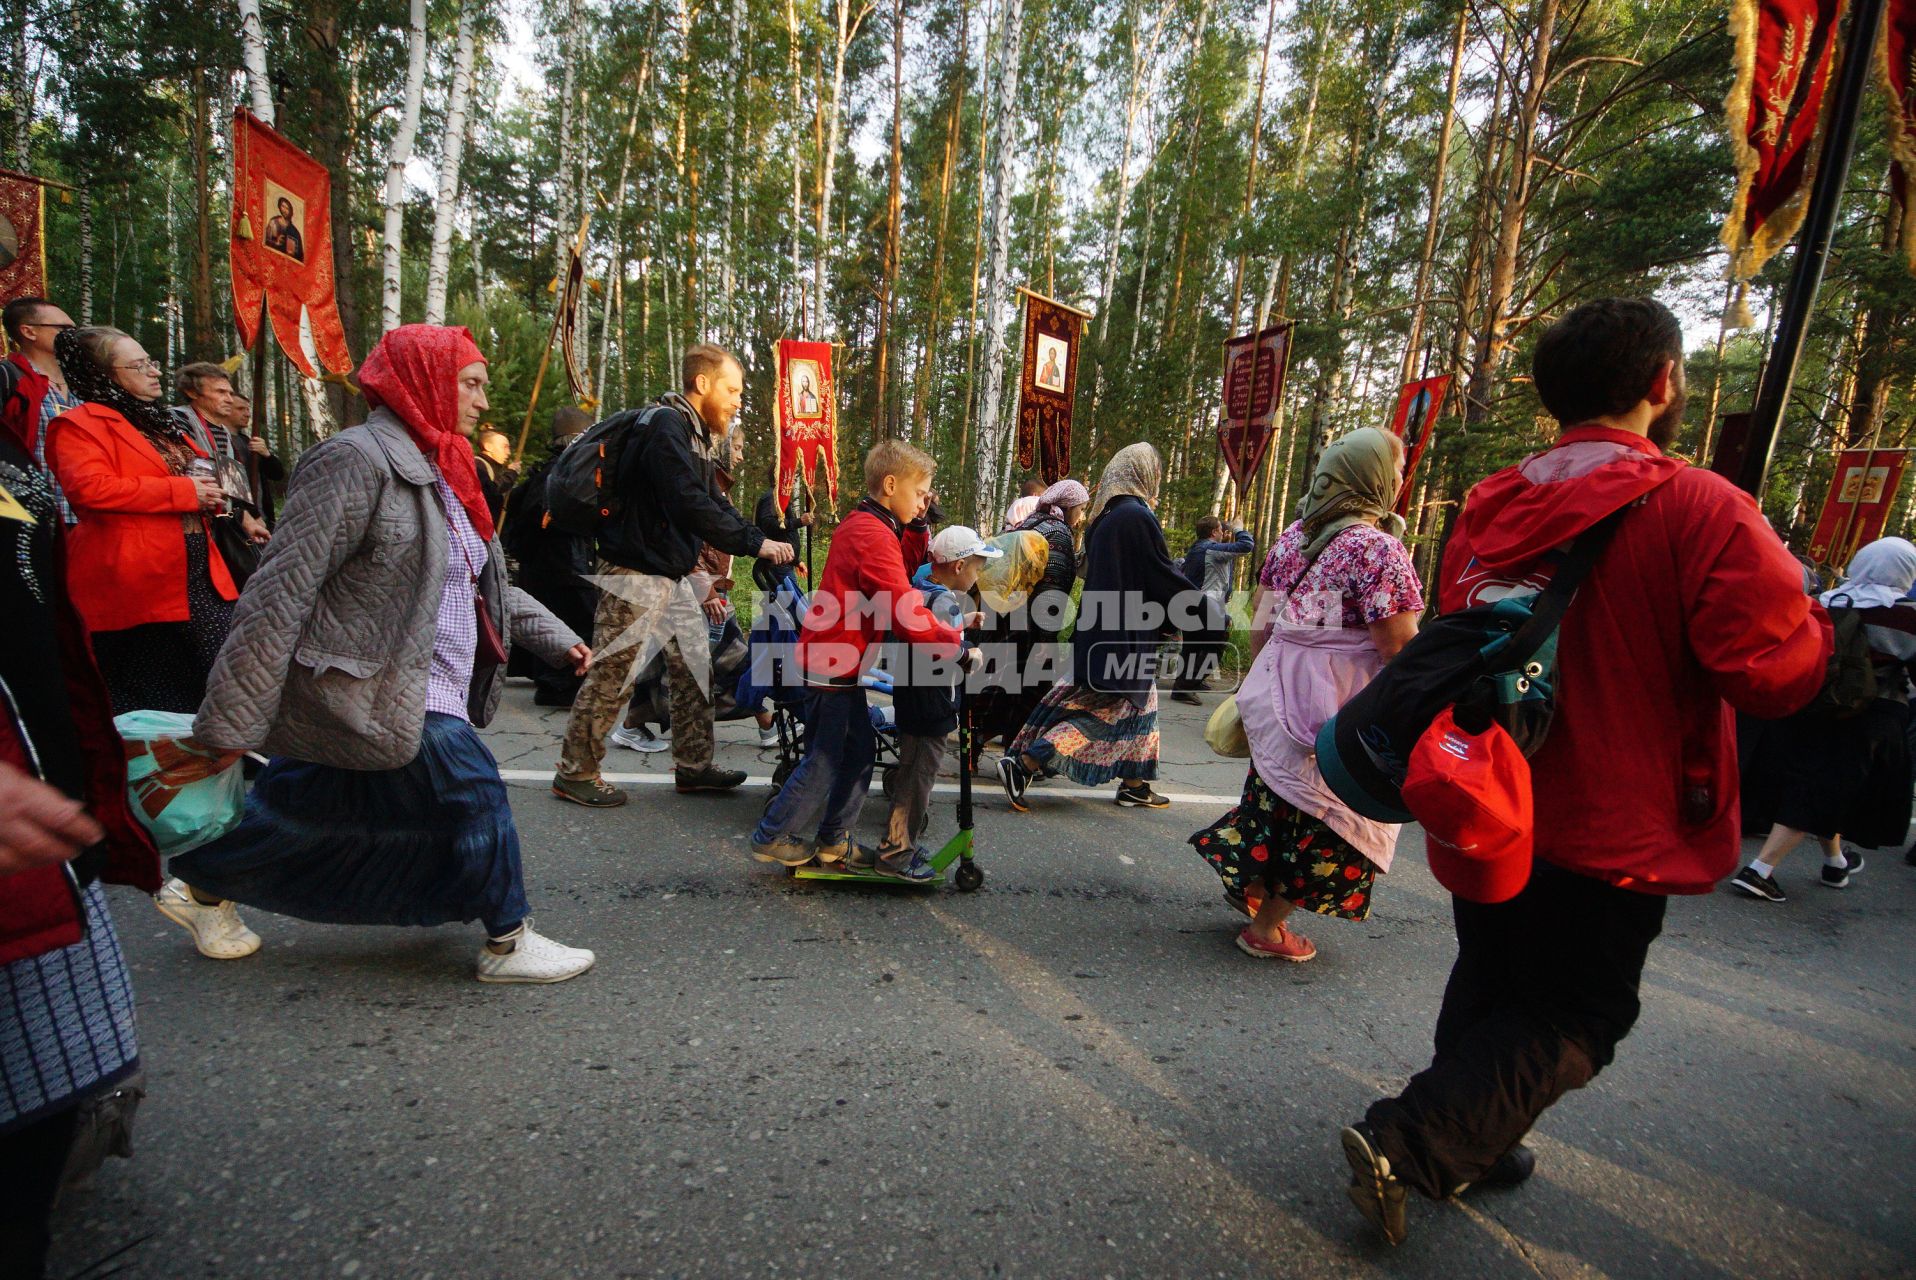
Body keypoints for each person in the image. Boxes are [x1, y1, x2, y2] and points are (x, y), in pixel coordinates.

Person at [1339, 297, 1830, 1245]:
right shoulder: (1702, 507)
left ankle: (1482, 1132)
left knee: (1494, 964)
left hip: (1485, 785)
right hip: (1619, 806)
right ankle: (1418, 1139)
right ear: (1661, 382)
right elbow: (1770, 674)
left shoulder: (1492, 503)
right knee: (1581, 1009)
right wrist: (1809, 614)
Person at [173, 324, 597, 983]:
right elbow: (281, 589)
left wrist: (558, 637)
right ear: (423, 380)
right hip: (378, 683)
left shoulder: (444, 468)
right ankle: (508, 942)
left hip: (429, 681)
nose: (484, 401)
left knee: (299, 810)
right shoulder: (353, 460)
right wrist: (230, 719)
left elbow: (479, 582)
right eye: (472, 384)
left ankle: (198, 887)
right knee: (471, 788)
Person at [0, 366, 159, 1279]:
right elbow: (94, 495)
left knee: (42, 1103)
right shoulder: (75, 424)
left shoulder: (18, 409)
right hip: (128, 611)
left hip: (40, 764)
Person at [1188, 428, 1420, 963]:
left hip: (1280, 684)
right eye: (1398, 469)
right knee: (1332, 812)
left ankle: (1251, 886)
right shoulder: (1377, 549)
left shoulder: (1293, 536)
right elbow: (1398, 647)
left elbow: (1261, 620)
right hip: (1340, 697)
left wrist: (1264, 679)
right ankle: (1267, 929)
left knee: (1276, 794)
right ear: (1374, 479)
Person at [553, 344, 794, 806]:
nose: (738, 400)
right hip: (634, 570)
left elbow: (713, 503)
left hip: (670, 572)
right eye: (732, 389)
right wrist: (754, 544)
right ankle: (576, 772)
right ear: (702, 384)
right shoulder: (666, 425)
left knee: (693, 666)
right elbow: (687, 501)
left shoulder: (695, 435)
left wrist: (756, 538)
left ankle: (694, 765)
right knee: (614, 672)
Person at [750, 440, 967, 867]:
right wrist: (953, 647)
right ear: (890, 484)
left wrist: (920, 525)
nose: (926, 500)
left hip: (838, 660)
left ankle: (833, 839)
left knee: (857, 750)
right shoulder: (871, 533)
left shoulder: (872, 525)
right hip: (831, 662)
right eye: (920, 491)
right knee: (828, 759)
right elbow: (902, 605)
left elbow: (901, 570)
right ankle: (772, 834)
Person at [45, 327, 239, 715]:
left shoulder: (157, 422)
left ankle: (226, 760)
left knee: (227, 671)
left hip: (196, 564)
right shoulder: (79, 425)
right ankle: (175, 768)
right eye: (139, 365)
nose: (155, 372)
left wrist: (230, 504)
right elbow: (90, 490)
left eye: (151, 361)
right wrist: (185, 493)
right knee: (162, 691)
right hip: (136, 576)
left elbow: (202, 471)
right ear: (104, 374)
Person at [997, 444, 1194, 811]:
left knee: (1141, 709)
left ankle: (1134, 784)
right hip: (1124, 636)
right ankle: (1024, 764)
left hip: (1103, 632)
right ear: (1141, 473)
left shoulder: (1104, 519)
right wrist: (1203, 610)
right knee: (1101, 715)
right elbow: (1160, 573)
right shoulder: (1136, 516)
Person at [1729, 536, 1916, 901]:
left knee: (1817, 780)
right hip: (1871, 714)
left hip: (1812, 704)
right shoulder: (1906, 617)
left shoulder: (1827, 601)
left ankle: (1836, 864)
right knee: (1826, 788)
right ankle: (1760, 870)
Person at [860, 525, 999, 880]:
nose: (977, 575)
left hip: (914, 697)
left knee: (911, 773)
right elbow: (940, 648)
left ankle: (900, 844)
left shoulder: (921, 589)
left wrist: (961, 622)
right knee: (916, 781)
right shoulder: (946, 600)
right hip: (932, 702)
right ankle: (895, 856)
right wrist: (969, 653)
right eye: (976, 567)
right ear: (958, 566)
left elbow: (927, 629)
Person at [973, 478, 1089, 764]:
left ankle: (976, 747)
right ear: (1070, 506)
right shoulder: (1058, 532)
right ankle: (1018, 758)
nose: (1082, 517)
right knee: (1032, 694)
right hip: (1031, 628)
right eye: (1082, 509)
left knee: (1004, 687)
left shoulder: (1032, 522)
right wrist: (1046, 639)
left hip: (1007, 621)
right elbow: (1051, 590)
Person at [503, 407, 598, 706]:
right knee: (573, 620)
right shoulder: (559, 473)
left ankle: (557, 684)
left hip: (553, 564)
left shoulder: (553, 471)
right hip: (561, 565)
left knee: (565, 619)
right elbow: (542, 516)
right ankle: (558, 686)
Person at [0, 296, 80, 523]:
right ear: (29, 332)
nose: (72, 334)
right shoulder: (8, 378)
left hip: (83, 515)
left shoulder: (82, 384)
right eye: (63, 328)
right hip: (27, 516)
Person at [1171, 514, 1255, 704]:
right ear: (1213, 532)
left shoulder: (1198, 548)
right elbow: (1246, 546)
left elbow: (1225, 562)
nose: (1222, 532)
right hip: (1205, 603)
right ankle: (1184, 687)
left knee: (1192, 647)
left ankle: (1189, 682)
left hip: (1193, 602)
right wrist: (1239, 529)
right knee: (1214, 645)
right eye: (1220, 529)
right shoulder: (1210, 550)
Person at [474, 426, 517, 525]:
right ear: (488, 447)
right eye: (504, 447)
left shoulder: (491, 467)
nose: (508, 453)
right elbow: (491, 490)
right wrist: (511, 473)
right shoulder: (478, 465)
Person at [265, 196, 304, 260]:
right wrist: (275, 243)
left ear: (291, 211)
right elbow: (265, 240)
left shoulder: (294, 231)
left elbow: (300, 255)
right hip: (271, 258)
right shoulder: (273, 222)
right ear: (279, 206)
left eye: (287, 208)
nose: (285, 210)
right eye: (283, 206)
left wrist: (293, 252)